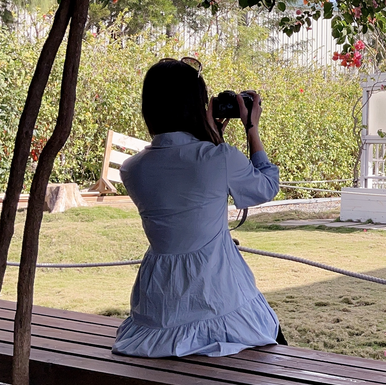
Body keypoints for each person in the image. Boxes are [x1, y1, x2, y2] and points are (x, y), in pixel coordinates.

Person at [112, 57, 283, 358]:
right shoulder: (218, 157)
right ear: (197, 104)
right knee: (271, 345)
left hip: (158, 308)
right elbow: (266, 186)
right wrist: (251, 128)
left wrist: (210, 136)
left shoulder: (132, 169)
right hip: (221, 300)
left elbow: (185, 169)